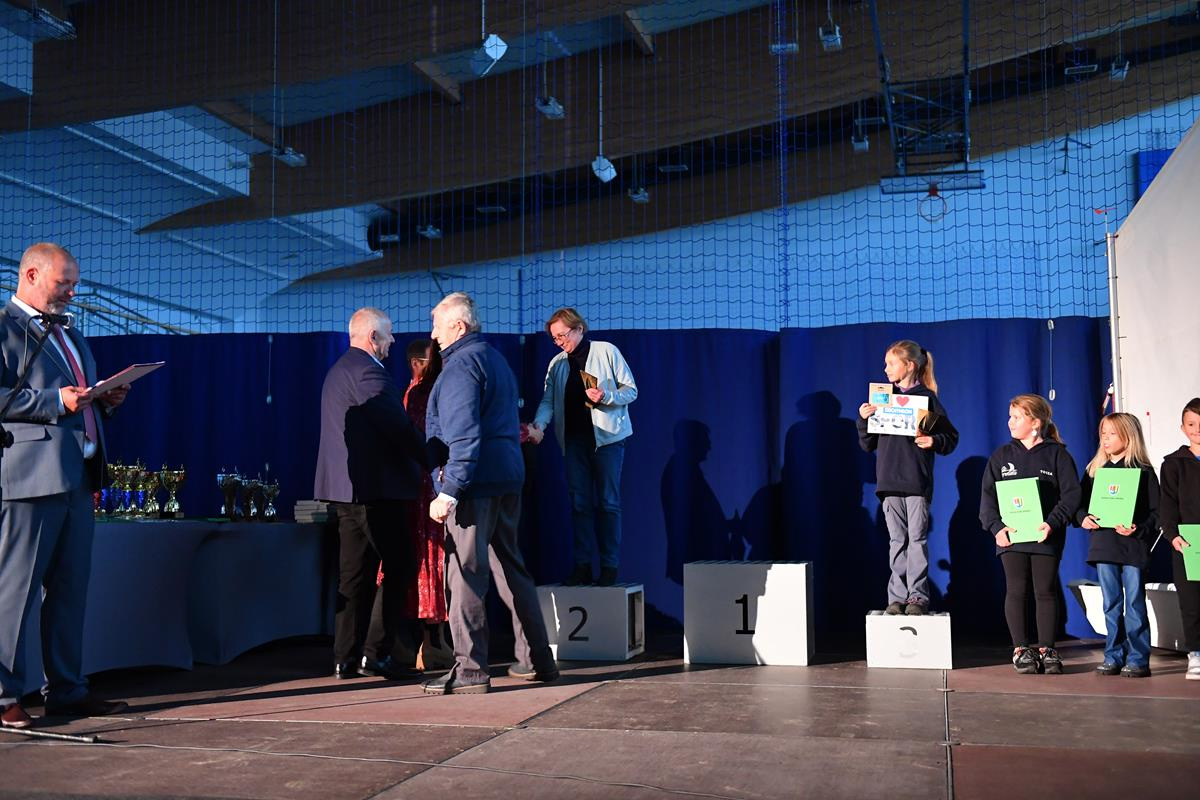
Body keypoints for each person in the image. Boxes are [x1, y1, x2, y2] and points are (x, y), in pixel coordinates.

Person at [0, 243, 132, 729]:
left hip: (78, 479)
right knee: (14, 594)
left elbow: (78, 401)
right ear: (32, 275)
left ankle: (67, 691)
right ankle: (3, 697)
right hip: (30, 481)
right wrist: (56, 401)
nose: (73, 292)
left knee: (70, 592)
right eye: (64, 283)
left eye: (75, 283)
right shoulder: (3, 328)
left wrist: (106, 400)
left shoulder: (70, 333)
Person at [422, 292, 557, 694]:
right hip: (506, 479)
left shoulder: (461, 366)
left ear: (458, 326)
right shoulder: (495, 359)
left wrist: (449, 491)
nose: (434, 335)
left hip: (474, 486)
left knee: (465, 575)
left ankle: (469, 672)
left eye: (438, 326)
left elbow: (464, 436)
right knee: (511, 570)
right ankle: (538, 660)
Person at [314, 307, 426, 682]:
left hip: (346, 492)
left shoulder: (338, 370)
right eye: (389, 334)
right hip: (375, 492)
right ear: (373, 337)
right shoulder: (369, 373)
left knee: (354, 576)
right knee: (400, 566)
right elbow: (397, 428)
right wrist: (433, 456)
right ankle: (375, 654)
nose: (393, 341)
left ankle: (344, 658)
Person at [528, 308, 637, 586]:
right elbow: (548, 401)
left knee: (608, 503)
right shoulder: (557, 364)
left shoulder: (606, 351)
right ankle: (583, 565)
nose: (559, 342)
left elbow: (631, 390)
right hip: (574, 441)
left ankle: (609, 566)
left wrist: (606, 396)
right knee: (579, 504)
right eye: (554, 338)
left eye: (562, 335)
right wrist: (539, 425)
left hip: (607, 441)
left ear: (578, 329)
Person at [980, 394, 1082, 675]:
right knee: (1016, 590)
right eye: (1010, 416)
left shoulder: (1057, 454)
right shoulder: (1001, 456)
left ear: (1035, 422)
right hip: (1011, 537)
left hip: (1044, 536)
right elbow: (987, 500)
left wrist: (1052, 523)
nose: (1010, 422)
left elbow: (1071, 495)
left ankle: (1047, 648)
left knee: (1045, 591)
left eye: (1016, 417)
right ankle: (1021, 649)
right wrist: (997, 528)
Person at [857, 340, 958, 616]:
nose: (885, 368)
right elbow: (868, 444)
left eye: (891, 363)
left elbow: (950, 438)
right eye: (886, 364)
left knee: (917, 540)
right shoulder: (883, 398)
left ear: (910, 365)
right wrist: (864, 420)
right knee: (896, 541)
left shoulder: (927, 399)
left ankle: (917, 597)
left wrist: (933, 440)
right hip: (889, 482)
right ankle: (897, 597)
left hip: (915, 481)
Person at [1076, 412, 1159, 677]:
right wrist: (1083, 518)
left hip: (1132, 546)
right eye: (1103, 433)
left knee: (1134, 602)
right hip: (1104, 545)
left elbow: (1156, 513)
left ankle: (1138, 658)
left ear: (1128, 436)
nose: (1106, 439)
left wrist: (1138, 528)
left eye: (1112, 433)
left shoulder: (1143, 471)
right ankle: (1113, 655)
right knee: (1110, 604)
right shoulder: (1094, 471)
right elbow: (1078, 505)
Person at [400, 339, 452, 671]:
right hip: (429, 488)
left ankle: (429, 643)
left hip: (420, 487)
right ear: (418, 363)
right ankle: (431, 643)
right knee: (433, 561)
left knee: (429, 562)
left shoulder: (414, 393)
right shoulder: (423, 393)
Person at [1159, 397, 1200, 680]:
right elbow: (1168, 506)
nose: (1197, 429)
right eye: (1191, 424)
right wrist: (1173, 536)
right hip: (1188, 544)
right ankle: (1196, 654)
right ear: (1183, 428)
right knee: (1192, 602)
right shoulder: (1173, 464)